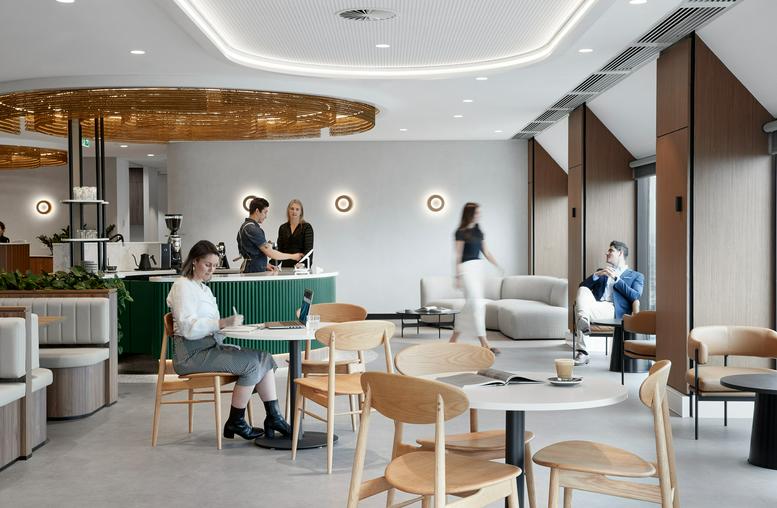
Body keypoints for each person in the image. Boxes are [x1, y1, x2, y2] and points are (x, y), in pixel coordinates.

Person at [167, 240, 292, 440]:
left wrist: (230, 327)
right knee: (252, 365)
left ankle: (274, 417)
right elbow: (188, 328)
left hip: (209, 347)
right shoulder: (182, 286)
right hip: (191, 355)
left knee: (265, 357)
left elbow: (213, 326)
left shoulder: (203, 289)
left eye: (215, 266)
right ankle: (236, 421)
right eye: (208, 264)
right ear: (194, 261)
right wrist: (222, 323)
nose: (212, 270)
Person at [574, 240, 644, 365]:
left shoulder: (636, 276)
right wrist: (596, 275)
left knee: (580, 311)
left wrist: (617, 279)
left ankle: (582, 352)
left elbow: (635, 296)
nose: (607, 253)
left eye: (611, 250)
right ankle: (583, 320)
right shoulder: (602, 272)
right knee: (583, 290)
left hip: (614, 309)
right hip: (596, 305)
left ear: (620, 253)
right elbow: (582, 288)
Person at [449, 202, 503, 354]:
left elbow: (486, 251)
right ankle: (485, 343)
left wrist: (497, 265)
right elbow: (458, 255)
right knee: (477, 305)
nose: (479, 215)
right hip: (466, 269)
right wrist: (457, 276)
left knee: (472, 305)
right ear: (470, 214)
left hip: (478, 269)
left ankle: (453, 340)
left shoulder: (479, 231)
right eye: (477, 212)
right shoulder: (460, 232)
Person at [236, 197, 302, 273]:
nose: (266, 216)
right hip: (254, 271)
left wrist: (264, 265)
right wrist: (293, 256)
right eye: (265, 212)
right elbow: (271, 253)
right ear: (257, 211)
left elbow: (252, 253)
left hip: (252, 268)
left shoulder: (244, 226)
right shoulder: (252, 229)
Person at [276, 199, 314, 268]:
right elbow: (279, 250)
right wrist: (272, 264)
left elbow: (309, 250)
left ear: (301, 212)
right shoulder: (282, 228)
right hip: (285, 267)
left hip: (301, 268)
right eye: (292, 209)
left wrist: (303, 264)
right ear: (288, 211)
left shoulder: (307, 227)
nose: (294, 211)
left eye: (297, 209)